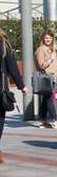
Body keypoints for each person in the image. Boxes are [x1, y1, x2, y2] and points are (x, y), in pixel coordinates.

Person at [0, 27, 26, 163]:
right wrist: (21, 86)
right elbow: (13, 68)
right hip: (1, 90)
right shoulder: (4, 44)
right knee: (0, 118)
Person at [35, 30, 57, 129]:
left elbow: (55, 65)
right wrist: (50, 59)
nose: (48, 39)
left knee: (45, 99)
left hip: (52, 78)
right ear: (43, 39)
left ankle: (42, 120)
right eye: (46, 38)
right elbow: (41, 65)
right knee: (49, 98)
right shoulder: (41, 50)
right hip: (45, 78)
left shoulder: (52, 50)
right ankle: (54, 119)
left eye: (50, 38)